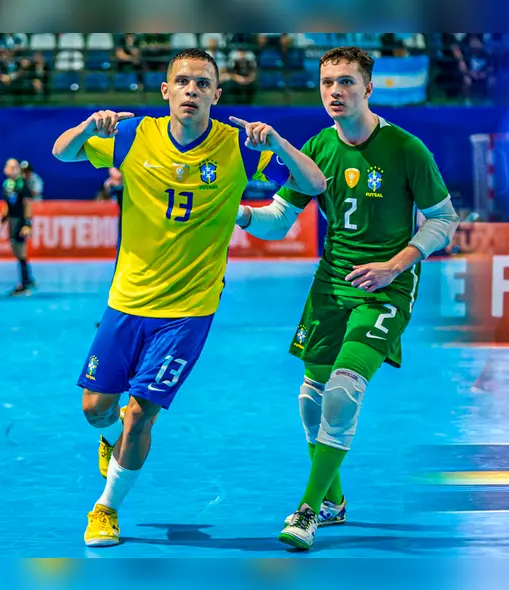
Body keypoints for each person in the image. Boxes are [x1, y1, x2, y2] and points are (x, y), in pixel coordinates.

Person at [51, 48, 326, 547]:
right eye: (183, 81)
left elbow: (315, 183)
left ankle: (106, 508)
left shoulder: (238, 147)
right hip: (127, 301)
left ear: (216, 96)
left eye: (203, 83)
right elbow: (62, 153)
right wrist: (91, 126)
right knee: (96, 408)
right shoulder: (135, 135)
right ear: (166, 91)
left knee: (140, 414)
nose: (192, 90)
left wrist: (279, 144)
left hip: (189, 311)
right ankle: (110, 440)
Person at [232, 46, 459, 550]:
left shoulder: (406, 149)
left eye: (346, 82)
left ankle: (308, 510)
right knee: (311, 400)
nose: (335, 91)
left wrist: (395, 265)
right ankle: (334, 499)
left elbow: (445, 221)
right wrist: (239, 216)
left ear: (368, 89)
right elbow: (279, 218)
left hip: (386, 288)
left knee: (342, 390)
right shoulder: (317, 147)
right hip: (331, 286)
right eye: (327, 82)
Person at [2, 158, 34, 294]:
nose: (13, 169)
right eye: (11, 167)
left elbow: (28, 205)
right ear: (5, 170)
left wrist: (27, 224)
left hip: (20, 221)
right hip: (12, 220)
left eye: (15, 167)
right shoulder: (7, 184)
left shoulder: (22, 184)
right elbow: (8, 205)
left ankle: (25, 283)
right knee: (16, 250)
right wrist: (3, 219)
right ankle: (28, 279)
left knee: (20, 251)